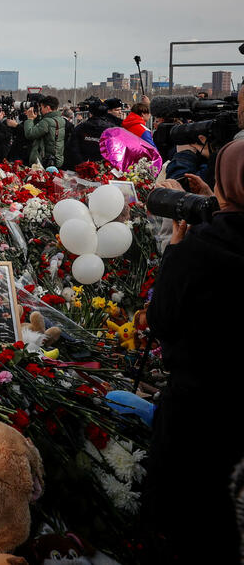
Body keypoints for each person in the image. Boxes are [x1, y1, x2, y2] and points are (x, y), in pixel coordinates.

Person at [143, 141, 244, 563]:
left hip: (199, 413)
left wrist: (175, 252)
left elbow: (162, 321)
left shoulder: (198, 251)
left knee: (194, 527)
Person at [64, 100, 118, 168]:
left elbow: (72, 148)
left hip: (87, 167)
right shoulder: (113, 129)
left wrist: (82, 164)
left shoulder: (80, 127)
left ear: (90, 113)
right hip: (101, 167)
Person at [23, 95, 66, 167]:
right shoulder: (60, 120)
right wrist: (37, 117)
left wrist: (30, 119)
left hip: (45, 162)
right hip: (56, 159)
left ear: (48, 108)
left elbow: (29, 134)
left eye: (42, 107)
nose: (41, 110)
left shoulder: (46, 122)